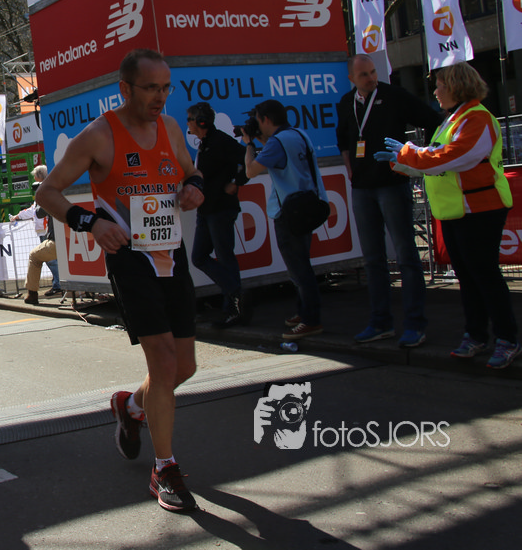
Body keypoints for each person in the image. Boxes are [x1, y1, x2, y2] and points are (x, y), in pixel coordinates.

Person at [36, 49, 204, 513]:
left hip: (172, 255)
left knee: (184, 367)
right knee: (164, 363)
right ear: (125, 89)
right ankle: (164, 469)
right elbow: (47, 192)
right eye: (151, 88)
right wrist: (90, 222)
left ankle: (130, 408)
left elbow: (192, 171)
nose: (160, 97)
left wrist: (195, 187)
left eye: (166, 88)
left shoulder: (171, 129)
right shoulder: (99, 135)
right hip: (131, 260)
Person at [382, 62, 519, 369]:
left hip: (480, 208)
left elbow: (453, 157)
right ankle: (476, 334)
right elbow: (437, 163)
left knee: (484, 275)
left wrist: (408, 153)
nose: (435, 92)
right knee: (468, 277)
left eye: (440, 85)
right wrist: (401, 162)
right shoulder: (454, 119)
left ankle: (507, 338)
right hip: (457, 210)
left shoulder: (478, 118)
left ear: (456, 86)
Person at [336, 54, 442, 348]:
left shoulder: (394, 95)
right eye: (364, 75)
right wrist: (349, 167)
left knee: (407, 256)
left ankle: (415, 324)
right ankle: (380, 322)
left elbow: (433, 120)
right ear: (351, 79)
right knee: (373, 259)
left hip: (392, 185)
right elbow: (343, 139)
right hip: (362, 188)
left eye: (373, 72)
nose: (371, 78)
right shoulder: (346, 103)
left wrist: (421, 157)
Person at [243, 99, 325, 341]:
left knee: (299, 269)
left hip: (289, 212)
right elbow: (280, 157)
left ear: (266, 119)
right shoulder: (298, 134)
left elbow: (250, 171)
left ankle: (311, 320)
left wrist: (249, 144)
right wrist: (260, 140)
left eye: (258, 120)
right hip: (308, 205)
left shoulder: (277, 142)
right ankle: (304, 311)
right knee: (301, 264)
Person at [185, 101, 249, 328]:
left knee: (224, 257)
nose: (187, 124)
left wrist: (237, 182)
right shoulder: (205, 144)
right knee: (199, 256)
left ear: (201, 122)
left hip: (221, 208)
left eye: (189, 119)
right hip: (206, 209)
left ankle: (233, 308)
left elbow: (249, 158)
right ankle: (236, 294)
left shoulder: (221, 141)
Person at [12, 164, 62, 305]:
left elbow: (39, 212)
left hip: (56, 239)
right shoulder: (62, 187)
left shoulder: (48, 190)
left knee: (35, 256)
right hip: (75, 239)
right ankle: (60, 284)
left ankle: (33, 294)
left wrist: (40, 193)